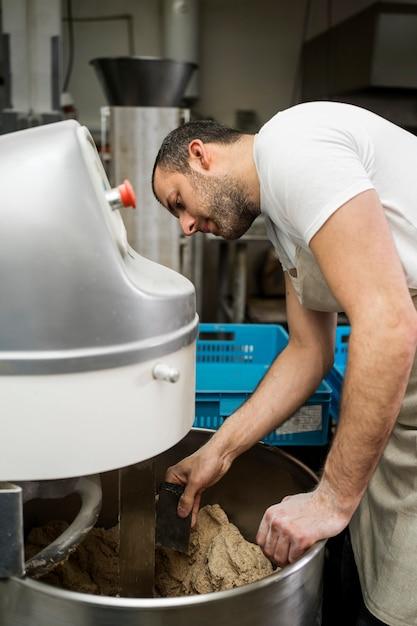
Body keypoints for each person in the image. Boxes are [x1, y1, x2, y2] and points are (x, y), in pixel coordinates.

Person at [151, 101, 417, 626]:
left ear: (200, 155)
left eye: (177, 201)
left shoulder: (294, 147)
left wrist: (332, 499)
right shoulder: (279, 216)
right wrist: (218, 452)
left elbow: (388, 325)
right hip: (396, 421)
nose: (184, 226)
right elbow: (308, 352)